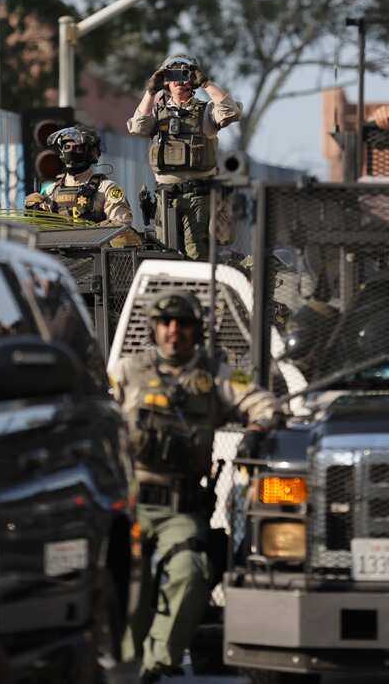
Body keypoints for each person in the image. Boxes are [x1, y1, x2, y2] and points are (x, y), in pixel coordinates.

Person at [107, 292, 282, 682]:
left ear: (196, 331)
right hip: (130, 501)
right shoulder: (127, 370)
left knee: (191, 571)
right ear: (154, 327)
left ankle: (156, 665)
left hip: (180, 508)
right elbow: (96, 415)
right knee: (131, 584)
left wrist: (258, 428)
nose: (174, 331)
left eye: (183, 324)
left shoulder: (218, 373)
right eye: (166, 322)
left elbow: (264, 402)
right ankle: (126, 667)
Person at [127, 55, 240, 258]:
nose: (179, 81)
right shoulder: (157, 113)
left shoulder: (206, 112)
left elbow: (231, 111)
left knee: (197, 254)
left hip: (199, 196)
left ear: (193, 80)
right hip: (166, 197)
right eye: (173, 75)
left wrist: (206, 83)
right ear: (166, 82)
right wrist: (150, 91)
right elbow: (137, 127)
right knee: (165, 254)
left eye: (185, 74)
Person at [23, 125, 132, 225]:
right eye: (67, 147)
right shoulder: (50, 191)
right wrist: (33, 212)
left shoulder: (107, 188)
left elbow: (121, 226)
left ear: (91, 152)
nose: (71, 152)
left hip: (95, 246)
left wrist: (98, 229)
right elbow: (38, 232)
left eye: (77, 148)